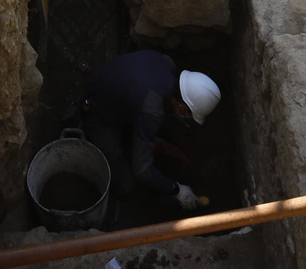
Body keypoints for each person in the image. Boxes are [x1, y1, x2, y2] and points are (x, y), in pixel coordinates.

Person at [78, 51, 219, 211]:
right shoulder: (151, 110)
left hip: (109, 86)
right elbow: (142, 171)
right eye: (188, 113)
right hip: (95, 112)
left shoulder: (166, 63)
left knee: (149, 124)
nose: (186, 117)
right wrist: (177, 190)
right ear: (182, 106)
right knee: (126, 185)